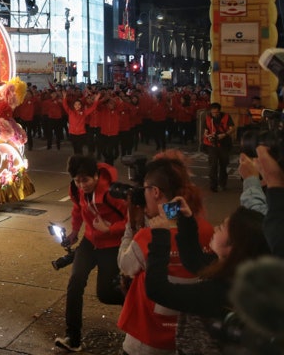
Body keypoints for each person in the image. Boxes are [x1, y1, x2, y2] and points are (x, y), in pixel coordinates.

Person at [118, 152, 213, 355]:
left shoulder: (147, 236)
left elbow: (125, 265)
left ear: (155, 192)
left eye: (145, 189)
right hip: (186, 335)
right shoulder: (206, 230)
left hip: (147, 338)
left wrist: (130, 225)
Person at [145, 201, 269, 354]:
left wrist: (160, 237)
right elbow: (194, 260)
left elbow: (157, 289)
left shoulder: (218, 293)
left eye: (222, 227)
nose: (216, 228)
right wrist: (186, 219)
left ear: (233, 247)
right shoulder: (239, 276)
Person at [54, 155, 128, 352]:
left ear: (96, 176)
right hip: (89, 242)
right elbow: (78, 210)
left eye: (85, 180)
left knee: (106, 293)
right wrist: (74, 232)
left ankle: (136, 316)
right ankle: (73, 337)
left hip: (112, 245)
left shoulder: (113, 193)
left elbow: (133, 221)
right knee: (75, 282)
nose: (81, 185)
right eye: (77, 180)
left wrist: (110, 229)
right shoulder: (76, 189)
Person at [202, 102, 235, 192]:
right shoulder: (208, 117)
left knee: (223, 165)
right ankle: (213, 185)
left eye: (216, 113)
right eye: (213, 112)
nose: (214, 114)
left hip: (224, 144)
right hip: (212, 145)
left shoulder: (226, 117)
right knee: (213, 165)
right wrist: (207, 135)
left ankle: (222, 183)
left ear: (219, 111)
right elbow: (205, 130)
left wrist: (224, 135)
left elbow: (232, 128)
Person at [63, 91, 99, 155]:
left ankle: (80, 161)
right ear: (73, 106)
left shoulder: (84, 113)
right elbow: (65, 105)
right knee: (75, 149)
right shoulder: (70, 112)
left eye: (79, 104)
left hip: (81, 134)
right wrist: (64, 97)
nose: (77, 106)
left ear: (81, 106)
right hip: (72, 134)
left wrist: (96, 100)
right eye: (76, 104)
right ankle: (77, 161)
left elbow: (93, 108)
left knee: (79, 150)